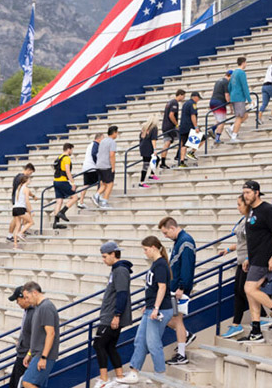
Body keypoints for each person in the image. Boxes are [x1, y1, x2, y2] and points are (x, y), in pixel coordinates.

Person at [115, 236, 174, 385]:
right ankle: (134, 372)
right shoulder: (156, 264)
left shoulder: (160, 265)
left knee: (153, 343)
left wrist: (155, 307)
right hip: (151, 308)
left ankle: (160, 374)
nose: (145, 253)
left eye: (146, 249)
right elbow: (153, 288)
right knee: (140, 340)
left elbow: (162, 287)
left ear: (154, 247)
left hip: (159, 310)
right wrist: (148, 305)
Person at [239, 180, 272, 343]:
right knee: (251, 293)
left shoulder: (267, 210)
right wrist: (248, 257)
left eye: (247, 192)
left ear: (256, 192)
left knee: (248, 288)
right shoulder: (251, 212)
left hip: (264, 258)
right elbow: (254, 239)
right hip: (254, 258)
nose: (245, 196)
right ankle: (256, 330)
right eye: (244, 193)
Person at [219, 195, 268, 339]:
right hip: (241, 260)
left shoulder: (251, 220)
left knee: (243, 290)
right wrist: (228, 249)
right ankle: (262, 316)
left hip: (249, 261)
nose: (238, 207)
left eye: (239, 204)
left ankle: (237, 324)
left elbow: (254, 242)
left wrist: (248, 257)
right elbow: (241, 242)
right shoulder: (243, 220)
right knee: (241, 291)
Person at [93, 242, 132, 388]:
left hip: (111, 316)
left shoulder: (120, 270)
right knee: (109, 346)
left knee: (98, 344)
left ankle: (104, 379)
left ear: (113, 254)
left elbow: (122, 294)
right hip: (110, 314)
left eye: (104, 257)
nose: (103, 260)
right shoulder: (116, 269)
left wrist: (117, 315)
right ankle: (120, 377)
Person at [158, 217, 197, 365]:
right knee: (169, 317)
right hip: (174, 288)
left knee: (177, 320)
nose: (165, 236)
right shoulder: (179, 241)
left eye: (166, 232)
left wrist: (182, 286)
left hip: (179, 289)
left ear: (173, 228)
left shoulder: (185, 241)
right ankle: (185, 336)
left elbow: (186, 267)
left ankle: (182, 354)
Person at [21, 282, 60, 388]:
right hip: (37, 354)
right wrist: (29, 353)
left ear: (34, 293)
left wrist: (43, 357)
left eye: (27, 297)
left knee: (27, 383)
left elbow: (51, 333)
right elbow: (38, 335)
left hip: (43, 355)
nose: (26, 300)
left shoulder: (46, 307)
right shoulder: (39, 308)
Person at [8, 286, 35, 388]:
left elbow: (36, 336)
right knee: (14, 384)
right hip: (22, 354)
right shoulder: (27, 311)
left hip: (26, 357)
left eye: (18, 300)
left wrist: (29, 353)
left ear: (24, 298)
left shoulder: (34, 312)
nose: (17, 303)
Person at [52, 143, 79, 229]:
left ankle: (55, 223)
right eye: (72, 149)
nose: (72, 151)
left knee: (59, 201)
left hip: (56, 181)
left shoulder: (59, 157)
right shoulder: (66, 158)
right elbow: (67, 171)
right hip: (63, 181)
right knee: (75, 197)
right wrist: (73, 183)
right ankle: (62, 212)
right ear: (68, 149)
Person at [225, 57, 252, 143]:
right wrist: (250, 100)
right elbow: (245, 86)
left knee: (245, 115)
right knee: (239, 117)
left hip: (234, 96)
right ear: (243, 63)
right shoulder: (241, 73)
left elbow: (229, 87)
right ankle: (234, 136)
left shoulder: (233, 73)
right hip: (239, 97)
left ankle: (231, 128)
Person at [7, 164, 36, 242]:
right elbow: (24, 189)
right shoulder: (22, 178)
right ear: (28, 170)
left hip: (16, 199)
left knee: (23, 216)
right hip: (18, 200)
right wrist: (33, 196)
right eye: (31, 173)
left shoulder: (17, 176)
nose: (30, 175)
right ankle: (13, 234)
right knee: (17, 218)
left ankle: (21, 231)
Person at [93, 126, 119, 209]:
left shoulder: (103, 141)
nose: (117, 134)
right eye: (117, 132)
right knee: (110, 184)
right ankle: (104, 201)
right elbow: (112, 155)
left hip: (99, 165)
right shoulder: (112, 142)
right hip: (106, 165)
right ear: (114, 132)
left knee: (104, 183)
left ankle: (96, 195)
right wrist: (113, 167)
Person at [160, 89, 185, 170]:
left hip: (165, 126)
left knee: (167, 143)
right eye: (183, 96)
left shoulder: (169, 102)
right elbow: (171, 115)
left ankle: (162, 162)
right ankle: (178, 156)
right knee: (182, 138)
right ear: (180, 95)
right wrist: (176, 124)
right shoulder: (174, 103)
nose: (183, 98)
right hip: (170, 126)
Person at [178, 91, 203, 168]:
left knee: (184, 144)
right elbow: (193, 115)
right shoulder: (193, 104)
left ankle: (181, 162)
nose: (198, 100)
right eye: (198, 98)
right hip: (189, 126)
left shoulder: (185, 104)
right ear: (195, 97)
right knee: (203, 138)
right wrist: (196, 127)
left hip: (183, 127)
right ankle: (192, 152)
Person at [79, 133, 103, 209]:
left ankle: (81, 202)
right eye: (102, 138)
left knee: (86, 185)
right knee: (103, 182)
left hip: (86, 167)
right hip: (92, 167)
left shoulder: (90, 145)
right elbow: (94, 154)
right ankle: (96, 198)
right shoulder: (96, 145)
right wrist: (98, 163)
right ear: (99, 138)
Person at [209, 70, 232, 144]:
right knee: (222, 121)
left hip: (213, 101)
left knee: (219, 120)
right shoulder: (226, 82)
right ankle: (217, 138)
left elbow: (212, 92)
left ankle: (212, 128)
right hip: (220, 102)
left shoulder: (218, 81)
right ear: (230, 76)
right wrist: (230, 106)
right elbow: (227, 95)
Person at [12, 175, 34, 251]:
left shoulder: (19, 188)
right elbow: (27, 201)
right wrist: (31, 210)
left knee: (18, 225)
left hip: (14, 208)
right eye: (29, 179)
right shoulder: (26, 189)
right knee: (31, 222)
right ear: (26, 180)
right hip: (20, 208)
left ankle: (15, 245)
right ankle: (21, 233)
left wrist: (34, 196)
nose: (30, 180)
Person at [138, 115, 160, 188]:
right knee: (153, 161)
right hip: (149, 147)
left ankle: (144, 179)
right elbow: (153, 139)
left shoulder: (144, 127)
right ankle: (149, 176)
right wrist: (155, 149)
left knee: (146, 164)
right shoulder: (154, 128)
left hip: (143, 147)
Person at [259, 56, 272, 122]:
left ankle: (259, 117)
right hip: (270, 85)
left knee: (264, 103)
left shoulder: (269, 66)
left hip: (264, 85)